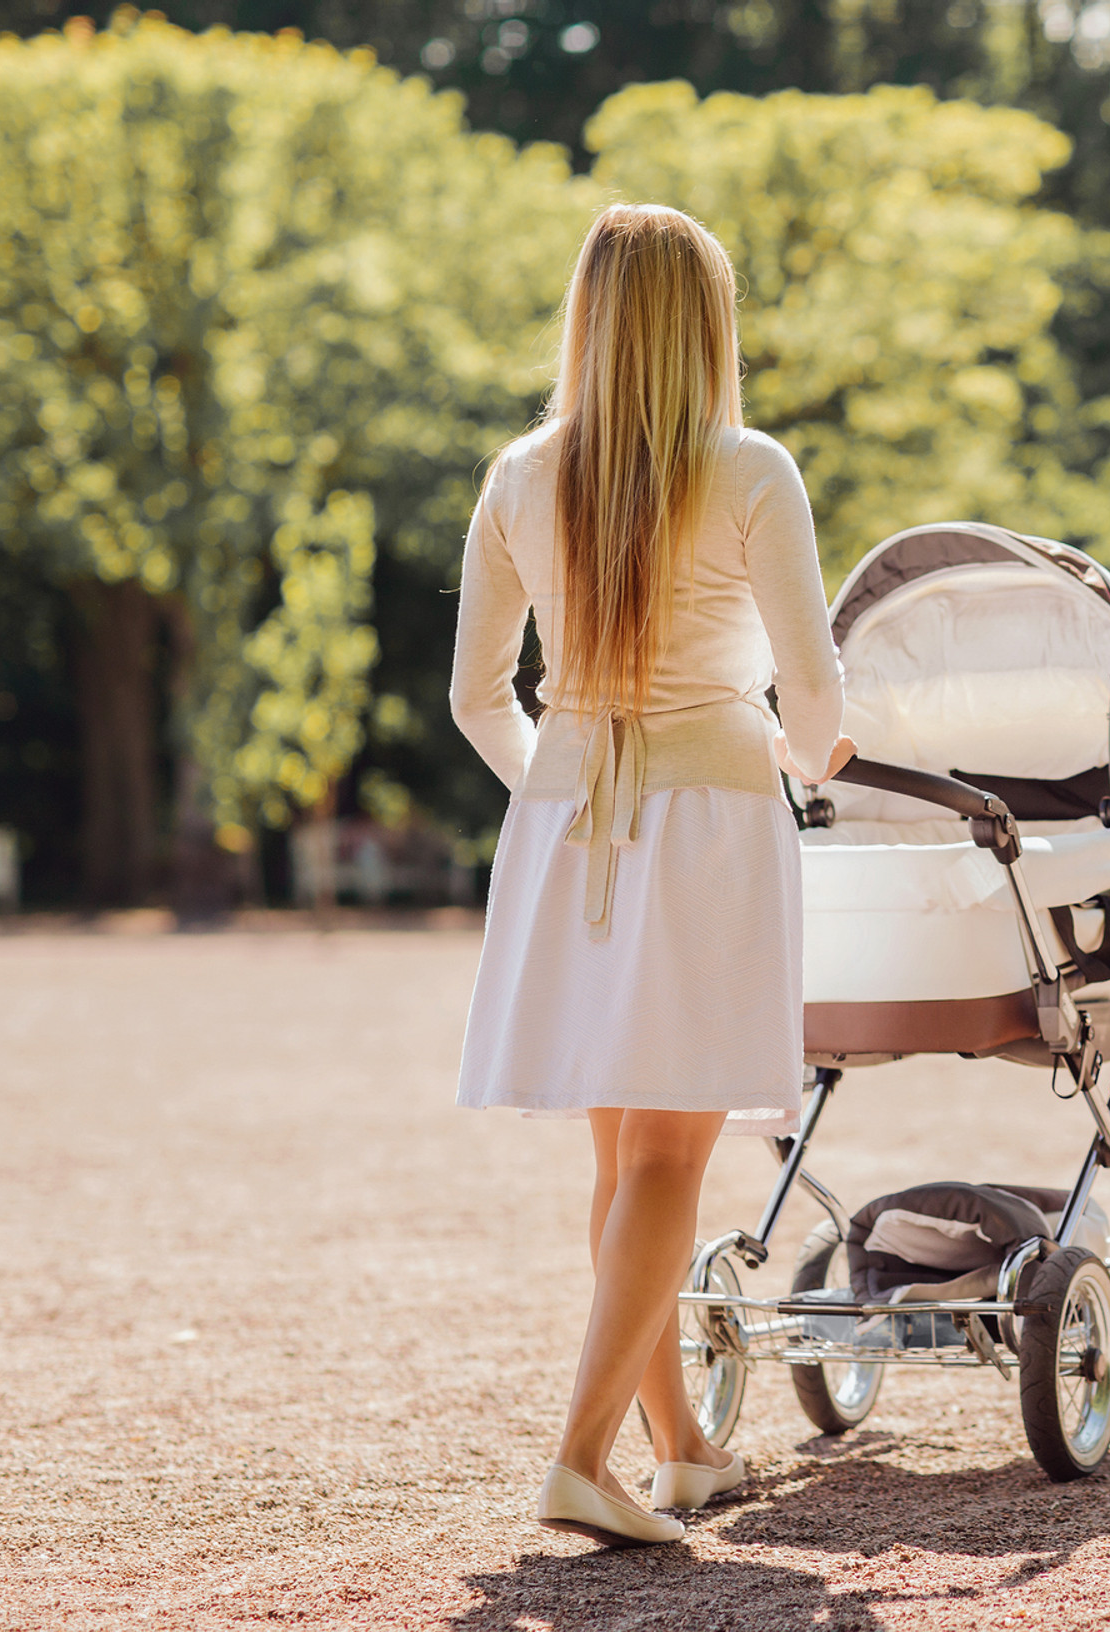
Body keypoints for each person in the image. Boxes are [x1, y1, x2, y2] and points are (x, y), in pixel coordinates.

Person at [447, 202, 851, 1550]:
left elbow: (475, 698)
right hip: (710, 824)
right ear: (710, 327)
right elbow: (814, 701)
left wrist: (568, 795)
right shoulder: (750, 473)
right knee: (674, 1154)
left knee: (624, 1159)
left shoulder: (517, 477)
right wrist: (812, 753)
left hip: (570, 826)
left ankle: (678, 1449)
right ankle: (579, 1457)